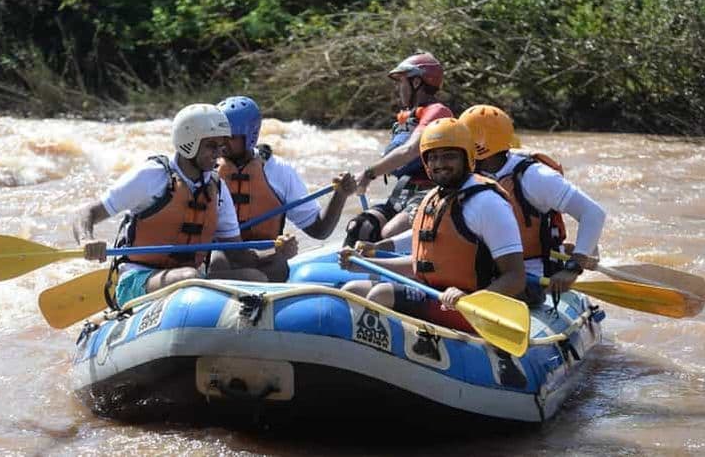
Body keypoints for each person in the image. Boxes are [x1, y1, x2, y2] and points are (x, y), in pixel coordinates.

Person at [72, 103, 296, 307]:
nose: (219, 153)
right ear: (189, 142)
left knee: (263, 274)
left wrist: (277, 252)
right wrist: (87, 240)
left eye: (221, 146)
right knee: (188, 276)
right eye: (211, 146)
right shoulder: (152, 176)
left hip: (191, 280)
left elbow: (238, 256)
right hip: (138, 279)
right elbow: (87, 212)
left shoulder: (217, 187)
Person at [340, 117, 526, 333]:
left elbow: (515, 277)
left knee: (381, 295)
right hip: (433, 293)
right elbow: (423, 265)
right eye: (433, 157)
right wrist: (362, 262)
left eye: (449, 156)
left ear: (468, 158)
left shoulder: (488, 203)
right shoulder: (433, 198)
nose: (439, 164)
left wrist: (472, 300)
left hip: (471, 306)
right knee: (351, 290)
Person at [459, 104, 606, 302]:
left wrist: (574, 267)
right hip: (482, 272)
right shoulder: (463, 176)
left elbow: (593, 213)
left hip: (533, 278)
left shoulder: (535, 177)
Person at [212, 96, 357, 281]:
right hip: (224, 253)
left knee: (277, 264)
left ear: (249, 136)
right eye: (219, 136)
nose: (222, 144)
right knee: (219, 260)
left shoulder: (279, 171)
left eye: (230, 137)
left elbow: (319, 230)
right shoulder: (209, 168)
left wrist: (340, 195)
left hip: (267, 255)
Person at [344, 52, 454, 247]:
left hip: (429, 194)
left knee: (389, 233)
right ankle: (347, 272)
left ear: (417, 83)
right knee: (359, 227)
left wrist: (369, 174)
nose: (398, 88)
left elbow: (410, 150)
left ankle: (388, 273)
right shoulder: (408, 117)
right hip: (403, 193)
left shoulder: (438, 112)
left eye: (401, 82)